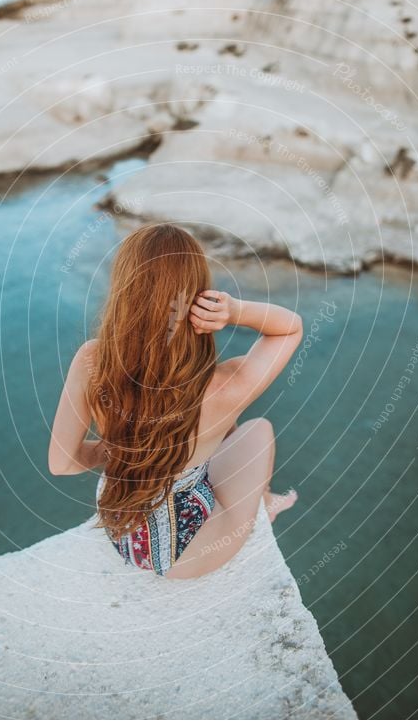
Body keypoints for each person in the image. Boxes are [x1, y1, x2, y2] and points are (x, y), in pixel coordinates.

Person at [49, 223, 303, 579]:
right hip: (184, 557)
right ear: (198, 295)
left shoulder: (92, 361)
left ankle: (246, 492)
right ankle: (263, 504)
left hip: (121, 534)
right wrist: (233, 311)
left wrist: (125, 448)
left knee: (225, 429)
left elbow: (62, 463)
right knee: (257, 429)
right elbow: (290, 327)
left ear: (124, 289)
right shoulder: (227, 385)